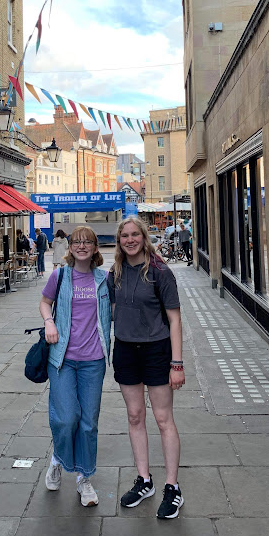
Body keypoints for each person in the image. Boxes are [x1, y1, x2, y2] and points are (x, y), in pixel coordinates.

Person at [107, 216, 185, 520]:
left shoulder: (160, 272)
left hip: (156, 350)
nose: (129, 240)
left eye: (134, 234)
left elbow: (175, 319)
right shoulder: (114, 272)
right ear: (119, 240)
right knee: (135, 415)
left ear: (144, 237)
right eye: (124, 235)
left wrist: (176, 363)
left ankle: (171, 486)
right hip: (126, 350)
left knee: (163, 418)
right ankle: (144, 481)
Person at [39, 226, 111, 507]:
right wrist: (49, 322)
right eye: (76, 241)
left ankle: (83, 477)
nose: (82, 246)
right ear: (70, 247)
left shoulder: (104, 280)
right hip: (63, 360)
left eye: (88, 242)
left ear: (95, 248)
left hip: (94, 361)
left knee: (88, 423)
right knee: (66, 418)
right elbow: (46, 303)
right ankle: (58, 458)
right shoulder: (60, 276)